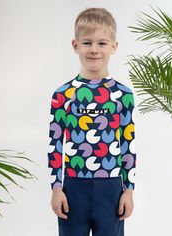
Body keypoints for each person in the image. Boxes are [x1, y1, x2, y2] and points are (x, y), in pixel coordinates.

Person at [48, 7, 136, 236]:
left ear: (114, 47)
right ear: (75, 45)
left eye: (102, 43)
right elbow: (55, 144)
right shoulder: (63, 95)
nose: (94, 50)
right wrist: (57, 189)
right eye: (87, 43)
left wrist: (129, 190)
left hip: (111, 188)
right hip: (73, 187)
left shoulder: (122, 95)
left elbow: (128, 143)